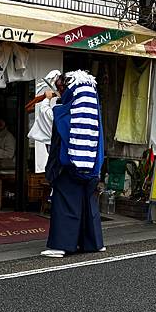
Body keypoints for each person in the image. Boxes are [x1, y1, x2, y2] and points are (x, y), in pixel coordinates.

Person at [41, 71, 106, 258]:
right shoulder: (94, 108)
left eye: (63, 87)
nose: (62, 90)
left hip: (69, 165)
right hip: (92, 166)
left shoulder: (66, 110)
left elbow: (51, 117)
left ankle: (61, 245)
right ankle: (93, 243)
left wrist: (47, 101)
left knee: (65, 205)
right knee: (88, 205)